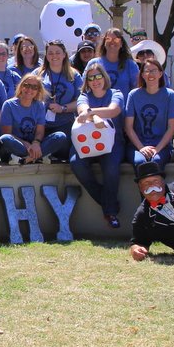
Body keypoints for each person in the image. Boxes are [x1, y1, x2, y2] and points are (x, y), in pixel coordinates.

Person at [71, 59, 125, 228]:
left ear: (104, 77)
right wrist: (93, 116)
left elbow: (113, 110)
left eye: (98, 76)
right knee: (76, 164)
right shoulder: (84, 96)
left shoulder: (116, 93)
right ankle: (109, 202)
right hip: (86, 142)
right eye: (91, 78)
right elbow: (81, 110)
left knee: (111, 169)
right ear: (86, 81)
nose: (95, 81)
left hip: (113, 143)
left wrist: (91, 113)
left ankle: (110, 213)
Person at [0, 73, 68, 164]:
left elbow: (39, 132)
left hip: (34, 145)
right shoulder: (9, 105)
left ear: (38, 91)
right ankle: (37, 157)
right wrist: (25, 144)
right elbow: (7, 133)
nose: (30, 89)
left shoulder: (40, 105)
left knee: (60, 136)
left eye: (34, 87)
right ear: (21, 87)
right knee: (5, 138)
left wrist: (36, 143)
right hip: (18, 144)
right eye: (26, 85)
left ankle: (26, 159)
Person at [123, 58, 174, 168]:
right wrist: (141, 148)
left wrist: (157, 149)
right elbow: (128, 127)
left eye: (154, 70)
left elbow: (172, 127)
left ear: (160, 74)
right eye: (147, 71)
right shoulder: (133, 95)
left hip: (162, 146)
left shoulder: (170, 95)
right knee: (140, 162)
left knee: (156, 162)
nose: (150, 74)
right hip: (137, 146)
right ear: (142, 75)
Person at [38, 40, 82, 155]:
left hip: (65, 123)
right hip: (42, 125)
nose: (54, 56)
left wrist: (63, 108)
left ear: (64, 55)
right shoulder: (38, 74)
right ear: (46, 56)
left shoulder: (74, 75)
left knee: (63, 149)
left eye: (58, 52)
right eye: (50, 53)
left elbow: (81, 101)